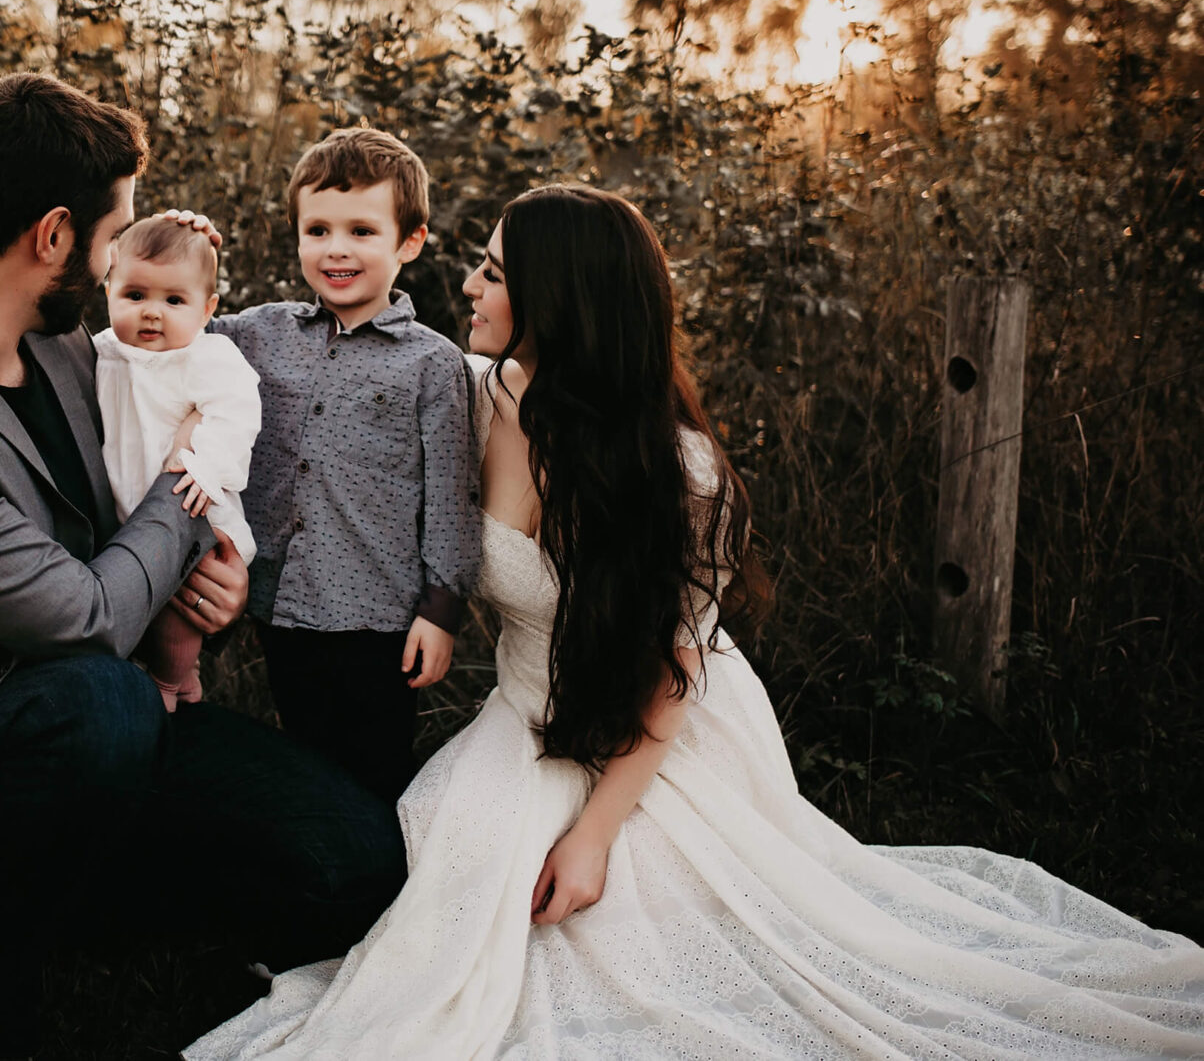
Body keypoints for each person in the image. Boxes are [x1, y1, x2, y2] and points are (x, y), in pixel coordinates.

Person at [186, 183, 1204, 1059]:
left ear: (560, 299)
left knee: (623, 930)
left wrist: (591, 833)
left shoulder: (676, 471)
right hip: (526, 713)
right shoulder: (467, 392)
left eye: (495, 274)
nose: (471, 287)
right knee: (453, 893)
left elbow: (671, 673)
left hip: (657, 736)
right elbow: (296, 415)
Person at [0, 72, 404, 1061]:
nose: (118, 256)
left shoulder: (65, 346)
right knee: (95, 701)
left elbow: (186, 381)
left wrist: (218, 564)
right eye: (110, 234)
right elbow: (81, 615)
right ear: (50, 236)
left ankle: (98, 891)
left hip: (112, 700)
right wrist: (191, 493)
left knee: (351, 859)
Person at [204, 127, 479, 802]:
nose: (336, 249)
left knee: (371, 769)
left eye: (361, 230)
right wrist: (185, 243)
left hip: (378, 619)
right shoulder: (260, 332)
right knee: (302, 759)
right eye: (318, 230)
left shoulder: (431, 364)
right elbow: (168, 327)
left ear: (408, 242)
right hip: (273, 601)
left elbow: (452, 497)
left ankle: (379, 891)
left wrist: (441, 610)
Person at [95, 217, 262, 709]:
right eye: (135, 295)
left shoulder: (206, 357)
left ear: (207, 309)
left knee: (180, 605)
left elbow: (237, 412)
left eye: (174, 301)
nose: (152, 313)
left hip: (192, 506)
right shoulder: (101, 352)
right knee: (136, 603)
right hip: (123, 512)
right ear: (108, 290)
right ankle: (168, 680)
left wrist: (206, 467)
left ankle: (173, 682)